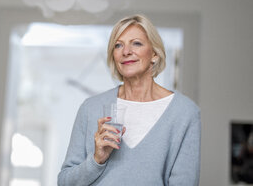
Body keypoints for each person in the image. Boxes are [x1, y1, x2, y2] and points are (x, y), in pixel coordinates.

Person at [57, 14, 201, 186]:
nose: (126, 52)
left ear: (154, 54)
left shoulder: (184, 112)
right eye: (118, 45)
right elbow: (65, 182)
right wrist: (97, 160)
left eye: (136, 43)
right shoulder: (91, 108)